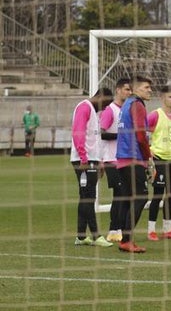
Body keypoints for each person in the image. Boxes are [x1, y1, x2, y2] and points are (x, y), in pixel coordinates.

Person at [113, 75, 154, 253]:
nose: (150, 90)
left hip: (122, 158)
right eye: (146, 87)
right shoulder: (137, 105)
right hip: (132, 157)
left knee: (129, 198)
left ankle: (124, 239)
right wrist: (148, 157)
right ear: (136, 89)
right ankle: (127, 239)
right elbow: (140, 135)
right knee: (141, 197)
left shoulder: (126, 105)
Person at [69, 88, 114, 247]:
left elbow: (95, 139)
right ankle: (96, 236)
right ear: (100, 96)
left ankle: (81, 237)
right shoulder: (84, 107)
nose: (105, 107)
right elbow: (78, 133)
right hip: (84, 161)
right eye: (106, 102)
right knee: (88, 197)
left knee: (86, 197)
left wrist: (100, 160)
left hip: (92, 160)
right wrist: (83, 158)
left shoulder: (94, 112)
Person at [145, 84, 171, 242]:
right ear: (162, 98)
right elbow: (140, 131)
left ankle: (168, 229)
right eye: (170, 97)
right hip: (159, 160)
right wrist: (149, 150)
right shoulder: (155, 115)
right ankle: (151, 230)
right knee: (157, 195)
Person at [99, 78, 132, 243]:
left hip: (124, 160)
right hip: (111, 159)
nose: (129, 92)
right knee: (119, 195)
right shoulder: (110, 110)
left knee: (125, 195)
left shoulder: (127, 110)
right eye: (126, 89)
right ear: (118, 90)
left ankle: (120, 228)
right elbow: (102, 133)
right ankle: (113, 229)